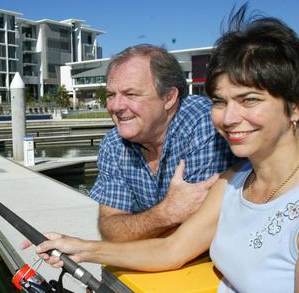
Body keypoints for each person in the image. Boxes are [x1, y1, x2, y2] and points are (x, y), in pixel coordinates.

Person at [28, 7, 299, 292]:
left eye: (249, 100)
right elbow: (171, 249)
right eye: (220, 101)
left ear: (296, 104)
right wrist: (79, 248)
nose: (228, 118)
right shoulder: (236, 179)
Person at [91, 44, 238, 242]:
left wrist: (137, 225)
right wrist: (167, 213)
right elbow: (110, 230)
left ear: (169, 97)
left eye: (131, 94)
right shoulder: (113, 144)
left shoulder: (204, 125)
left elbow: (195, 235)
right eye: (110, 95)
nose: (115, 106)